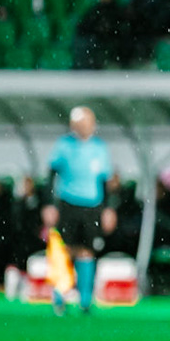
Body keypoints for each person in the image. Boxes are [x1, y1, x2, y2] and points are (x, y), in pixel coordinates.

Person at [43, 106, 113, 315]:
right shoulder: (64, 146)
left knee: (87, 250)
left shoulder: (99, 148)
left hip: (92, 205)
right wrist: (49, 204)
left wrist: (108, 209)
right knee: (64, 249)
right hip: (68, 203)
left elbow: (104, 180)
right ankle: (59, 296)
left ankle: (85, 300)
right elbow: (50, 176)